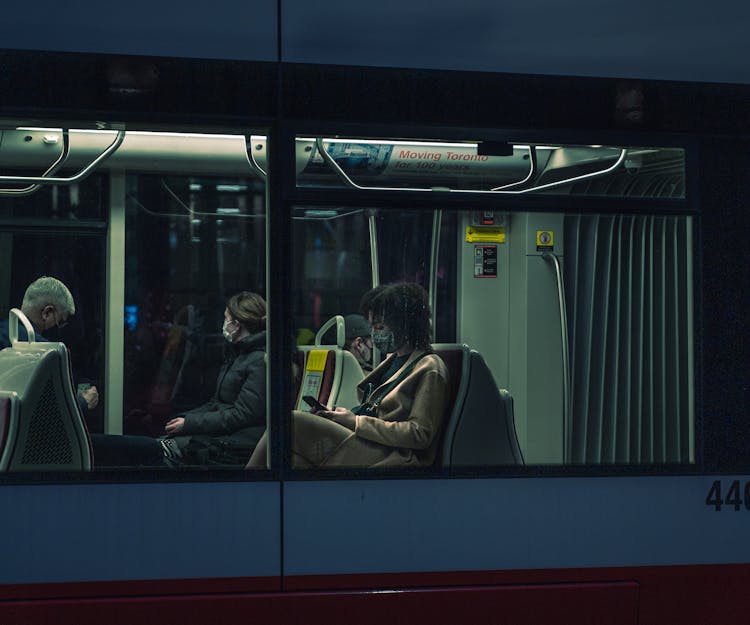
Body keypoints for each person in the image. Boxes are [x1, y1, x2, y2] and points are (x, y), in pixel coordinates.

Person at [247, 283, 449, 469]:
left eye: (380, 327)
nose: (374, 334)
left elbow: (419, 434)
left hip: (395, 455)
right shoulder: (394, 360)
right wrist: (340, 417)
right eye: (372, 327)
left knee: (291, 421)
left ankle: (243, 487)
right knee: (292, 462)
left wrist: (356, 422)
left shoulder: (430, 367)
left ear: (406, 325)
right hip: (371, 444)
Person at [162, 291, 267, 465]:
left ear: (236, 324)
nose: (223, 324)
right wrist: (186, 419)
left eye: (226, 319)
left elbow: (243, 414)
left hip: (234, 440)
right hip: (222, 432)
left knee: (161, 451)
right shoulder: (237, 355)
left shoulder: (259, 360)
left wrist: (190, 424)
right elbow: (216, 402)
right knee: (159, 444)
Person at [0, 276, 99, 411]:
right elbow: (49, 413)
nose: (59, 328)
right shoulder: (43, 352)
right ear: (47, 312)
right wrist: (82, 403)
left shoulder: (4, 332)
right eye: (60, 322)